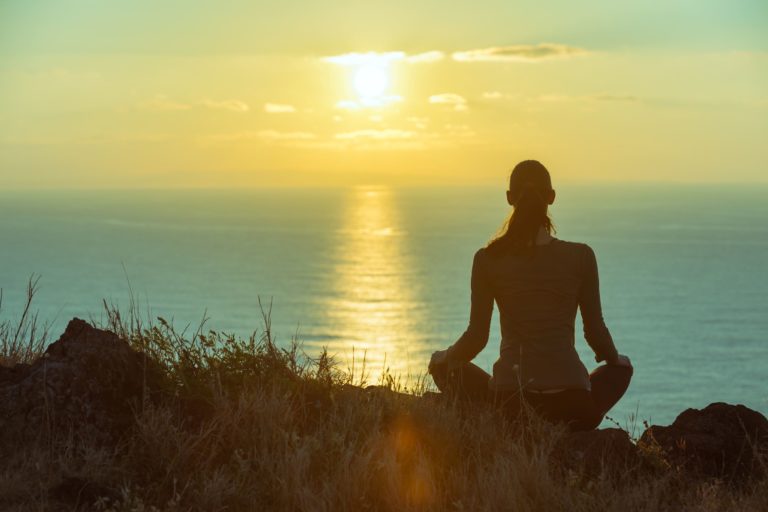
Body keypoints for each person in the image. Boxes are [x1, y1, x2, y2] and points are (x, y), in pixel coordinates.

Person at [428, 160, 633, 431]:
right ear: (551, 197)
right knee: (622, 369)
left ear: (510, 198)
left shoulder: (488, 259)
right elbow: (595, 334)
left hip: (510, 405)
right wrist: (615, 359)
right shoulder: (582, 256)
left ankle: (509, 422)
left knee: (442, 366)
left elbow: (477, 337)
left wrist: (446, 357)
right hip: (574, 406)